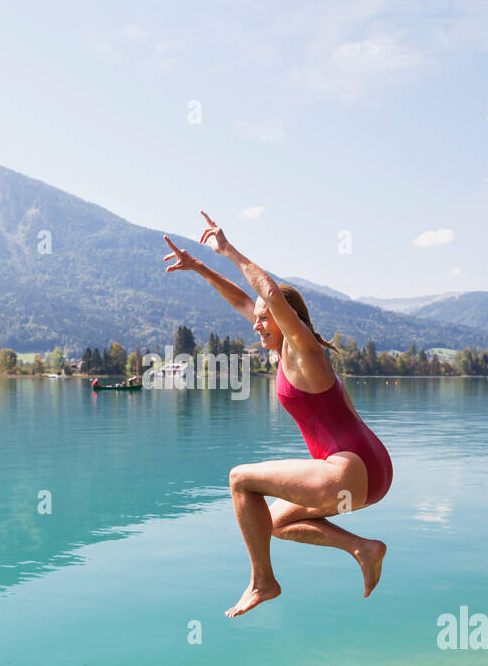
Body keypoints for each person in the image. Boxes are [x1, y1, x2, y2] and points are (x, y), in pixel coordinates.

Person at [163, 212, 392, 618]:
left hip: (350, 468)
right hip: (366, 471)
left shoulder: (302, 348)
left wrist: (227, 249)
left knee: (240, 480)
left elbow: (268, 294)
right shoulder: (292, 350)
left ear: (286, 318)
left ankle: (262, 582)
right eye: (256, 321)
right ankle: (363, 548)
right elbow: (243, 300)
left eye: (264, 319)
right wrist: (198, 267)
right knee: (275, 523)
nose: (256, 325)